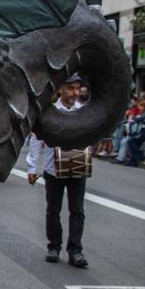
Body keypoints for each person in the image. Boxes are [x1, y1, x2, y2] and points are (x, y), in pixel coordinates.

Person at [27, 74, 91, 267]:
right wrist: (32, 167)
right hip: (53, 169)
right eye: (70, 88)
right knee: (53, 210)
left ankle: (75, 250)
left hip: (77, 167)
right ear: (61, 89)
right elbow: (36, 139)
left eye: (77, 88)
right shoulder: (50, 111)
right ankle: (53, 246)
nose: (74, 92)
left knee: (77, 210)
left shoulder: (85, 111)